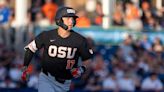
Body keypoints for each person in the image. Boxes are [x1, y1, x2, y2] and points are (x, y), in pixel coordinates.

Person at [21, 6, 93, 92]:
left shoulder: (79, 40)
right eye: (68, 18)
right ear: (59, 20)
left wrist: (81, 69)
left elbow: (88, 60)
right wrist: (25, 67)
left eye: (73, 18)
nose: (71, 21)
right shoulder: (46, 35)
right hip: (47, 78)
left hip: (65, 82)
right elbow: (30, 49)